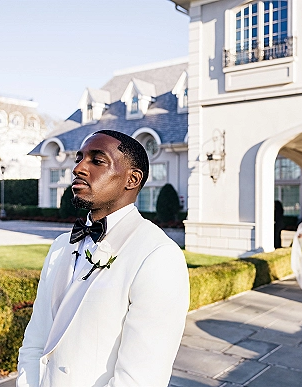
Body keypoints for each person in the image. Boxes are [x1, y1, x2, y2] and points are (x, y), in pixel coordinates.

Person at [17, 130, 189, 387]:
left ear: (132, 179)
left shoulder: (158, 255)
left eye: (97, 161)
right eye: (79, 158)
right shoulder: (60, 246)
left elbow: (140, 379)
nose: (78, 168)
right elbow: (35, 338)